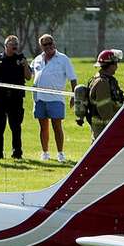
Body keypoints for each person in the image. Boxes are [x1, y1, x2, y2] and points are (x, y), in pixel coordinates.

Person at [29, 34, 77, 163]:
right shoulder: (37, 59)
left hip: (56, 98)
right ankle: (45, 152)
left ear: (54, 43)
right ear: (41, 46)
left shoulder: (63, 59)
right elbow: (29, 75)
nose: (49, 46)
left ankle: (60, 153)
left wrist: (73, 96)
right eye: (45, 44)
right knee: (43, 127)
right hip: (39, 99)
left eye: (50, 43)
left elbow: (73, 78)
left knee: (57, 126)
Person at [0, 35, 33, 159]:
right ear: (6, 46)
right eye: (12, 44)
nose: (15, 46)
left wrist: (25, 65)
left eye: (16, 44)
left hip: (15, 98)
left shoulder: (21, 59)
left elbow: (28, 77)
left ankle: (17, 153)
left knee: (16, 127)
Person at [87, 50, 124, 139]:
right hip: (103, 128)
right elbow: (105, 110)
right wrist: (113, 126)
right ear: (110, 65)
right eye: (115, 63)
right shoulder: (102, 83)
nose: (117, 66)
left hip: (107, 127)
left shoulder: (108, 80)